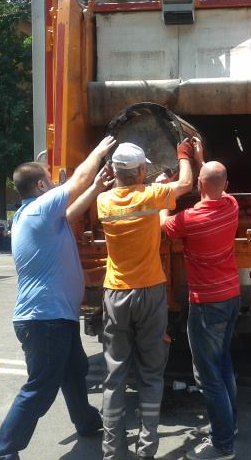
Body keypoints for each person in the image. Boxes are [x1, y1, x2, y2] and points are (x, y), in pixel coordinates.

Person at [0, 136, 116, 460]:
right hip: (44, 320)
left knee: (74, 371)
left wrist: (96, 188)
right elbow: (78, 179)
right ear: (41, 185)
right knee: (40, 388)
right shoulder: (39, 211)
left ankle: (86, 421)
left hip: (55, 317)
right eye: (50, 178)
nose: (55, 182)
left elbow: (71, 212)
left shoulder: (33, 216)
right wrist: (99, 152)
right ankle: (3, 453)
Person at [96, 140, 195, 460]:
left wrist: (155, 187)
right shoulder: (151, 196)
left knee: (114, 376)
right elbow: (186, 183)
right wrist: (183, 156)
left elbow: (141, 202)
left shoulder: (103, 201)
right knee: (151, 374)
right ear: (140, 170)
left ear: (114, 171)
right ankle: (146, 449)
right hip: (150, 293)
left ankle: (112, 451)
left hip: (116, 293)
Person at [160, 158, 239, 460]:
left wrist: (165, 191)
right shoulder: (231, 205)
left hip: (207, 305)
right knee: (223, 364)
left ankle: (222, 445)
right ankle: (228, 427)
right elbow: (216, 184)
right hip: (231, 297)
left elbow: (163, 224)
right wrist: (201, 158)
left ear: (199, 184)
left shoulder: (190, 219)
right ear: (226, 185)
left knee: (208, 376)